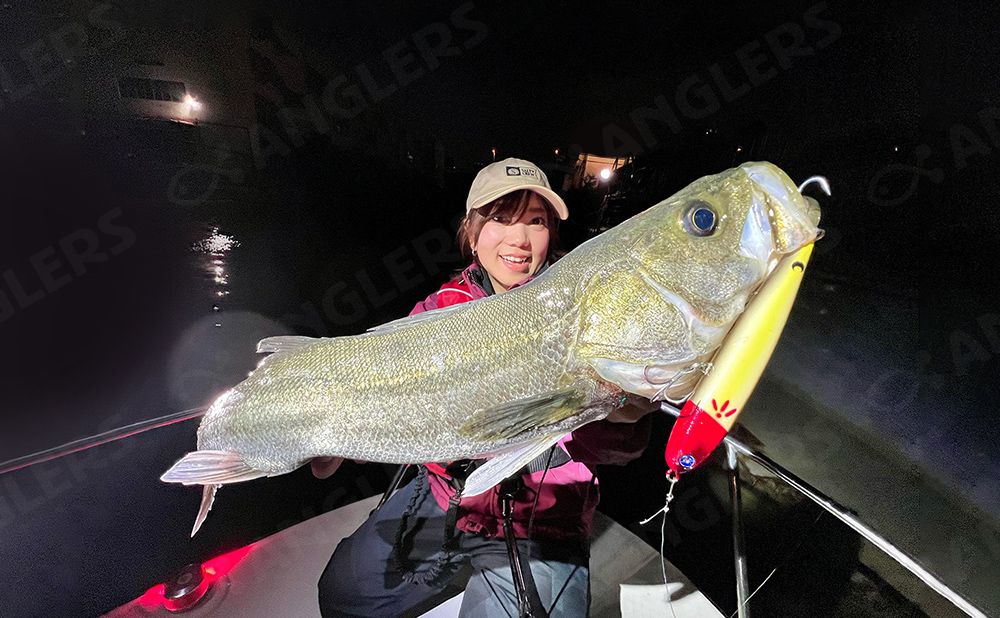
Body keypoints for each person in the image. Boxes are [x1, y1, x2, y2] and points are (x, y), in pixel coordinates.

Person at [317, 158, 659, 617]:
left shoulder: (585, 309)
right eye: (501, 218)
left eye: (536, 222)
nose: (520, 239)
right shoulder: (439, 309)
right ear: (473, 234)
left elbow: (617, 447)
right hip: (446, 501)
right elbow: (389, 397)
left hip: (538, 523)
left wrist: (621, 413)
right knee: (342, 594)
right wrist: (348, 434)